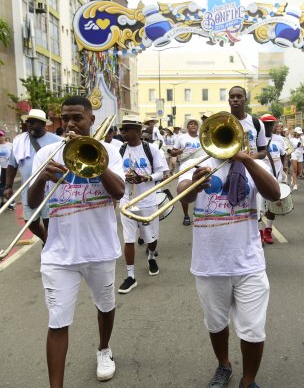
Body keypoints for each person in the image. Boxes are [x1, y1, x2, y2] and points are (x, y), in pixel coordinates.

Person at [27, 96, 125, 386]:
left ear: (91, 120)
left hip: (100, 250)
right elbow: (33, 203)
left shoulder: (109, 151)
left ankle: (104, 349)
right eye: (65, 118)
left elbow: (118, 191)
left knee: (105, 307)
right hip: (59, 254)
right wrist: (41, 178)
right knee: (57, 321)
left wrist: (96, 160)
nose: (70, 123)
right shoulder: (46, 154)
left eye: (77, 118)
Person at [177, 136, 280, 388]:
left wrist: (245, 159)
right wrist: (194, 184)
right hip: (209, 263)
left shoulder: (254, 165)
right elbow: (183, 196)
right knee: (216, 324)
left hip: (249, 262)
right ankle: (224, 365)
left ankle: (248, 380)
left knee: (254, 330)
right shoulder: (193, 164)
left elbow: (274, 193)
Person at [118, 115, 170, 294]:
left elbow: (163, 173)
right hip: (127, 200)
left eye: (127, 129)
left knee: (151, 238)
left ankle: (150, 256)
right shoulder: (120, 149)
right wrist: (123, 177)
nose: (123, 132)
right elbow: (114, 171)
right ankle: (130, 276)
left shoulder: (152, 149)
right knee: (129, 238)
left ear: (138, 131)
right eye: (122, 129)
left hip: (147, 200)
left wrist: (145, 178)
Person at [4, 109, 61, 244]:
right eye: (28, 122)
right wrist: (8, 186)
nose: (29, 125)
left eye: (33, 122)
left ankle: (49, 248)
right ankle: (46, 242)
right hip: (28, 190)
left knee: (49, 223)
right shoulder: (19, 141)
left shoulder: (57, 140)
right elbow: (12, 165)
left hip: (50, 190)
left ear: (43, 124)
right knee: (31, 223)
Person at [257, 114, 286, 245]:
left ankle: (268, 230)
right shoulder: (257, 139)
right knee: (257, 208)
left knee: (273, 206)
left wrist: (284, 169)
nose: (268, 126)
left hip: (276, 177)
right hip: (259, 178)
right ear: (261, 125)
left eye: (270, 123)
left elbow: (283, 155)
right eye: (266, 124)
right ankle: (259, 233)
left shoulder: (280, 139)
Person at [170, 117, 202, 226]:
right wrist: (179, 151)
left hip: (201, 166)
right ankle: (186, 215)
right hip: (186, 167)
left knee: (202, 191)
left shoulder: (202, 138)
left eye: (195, 124)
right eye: (191, 124)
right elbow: (172, 153)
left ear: (197, 127)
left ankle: (200, 214)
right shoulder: (181, 138)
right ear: (187, 126)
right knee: (184, 191)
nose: (193, 125)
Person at [228, 86, 268, 160]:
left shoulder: (257, 123)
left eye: (239, 96)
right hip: (227, 168)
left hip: (250, 169)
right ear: (229, 100)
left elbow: (263, 151)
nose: (235, 99)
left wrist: (252, 157)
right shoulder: (222, 122)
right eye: (232, 97)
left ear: (245, 100)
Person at [0, 128, 13, 208]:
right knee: (1, 186)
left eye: (1, 135)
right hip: (0, 169)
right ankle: (3, 201)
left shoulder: (10, 145)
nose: (0, 137)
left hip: (8, 169)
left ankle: (10, 202)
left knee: (7, 186)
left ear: (4, 136)